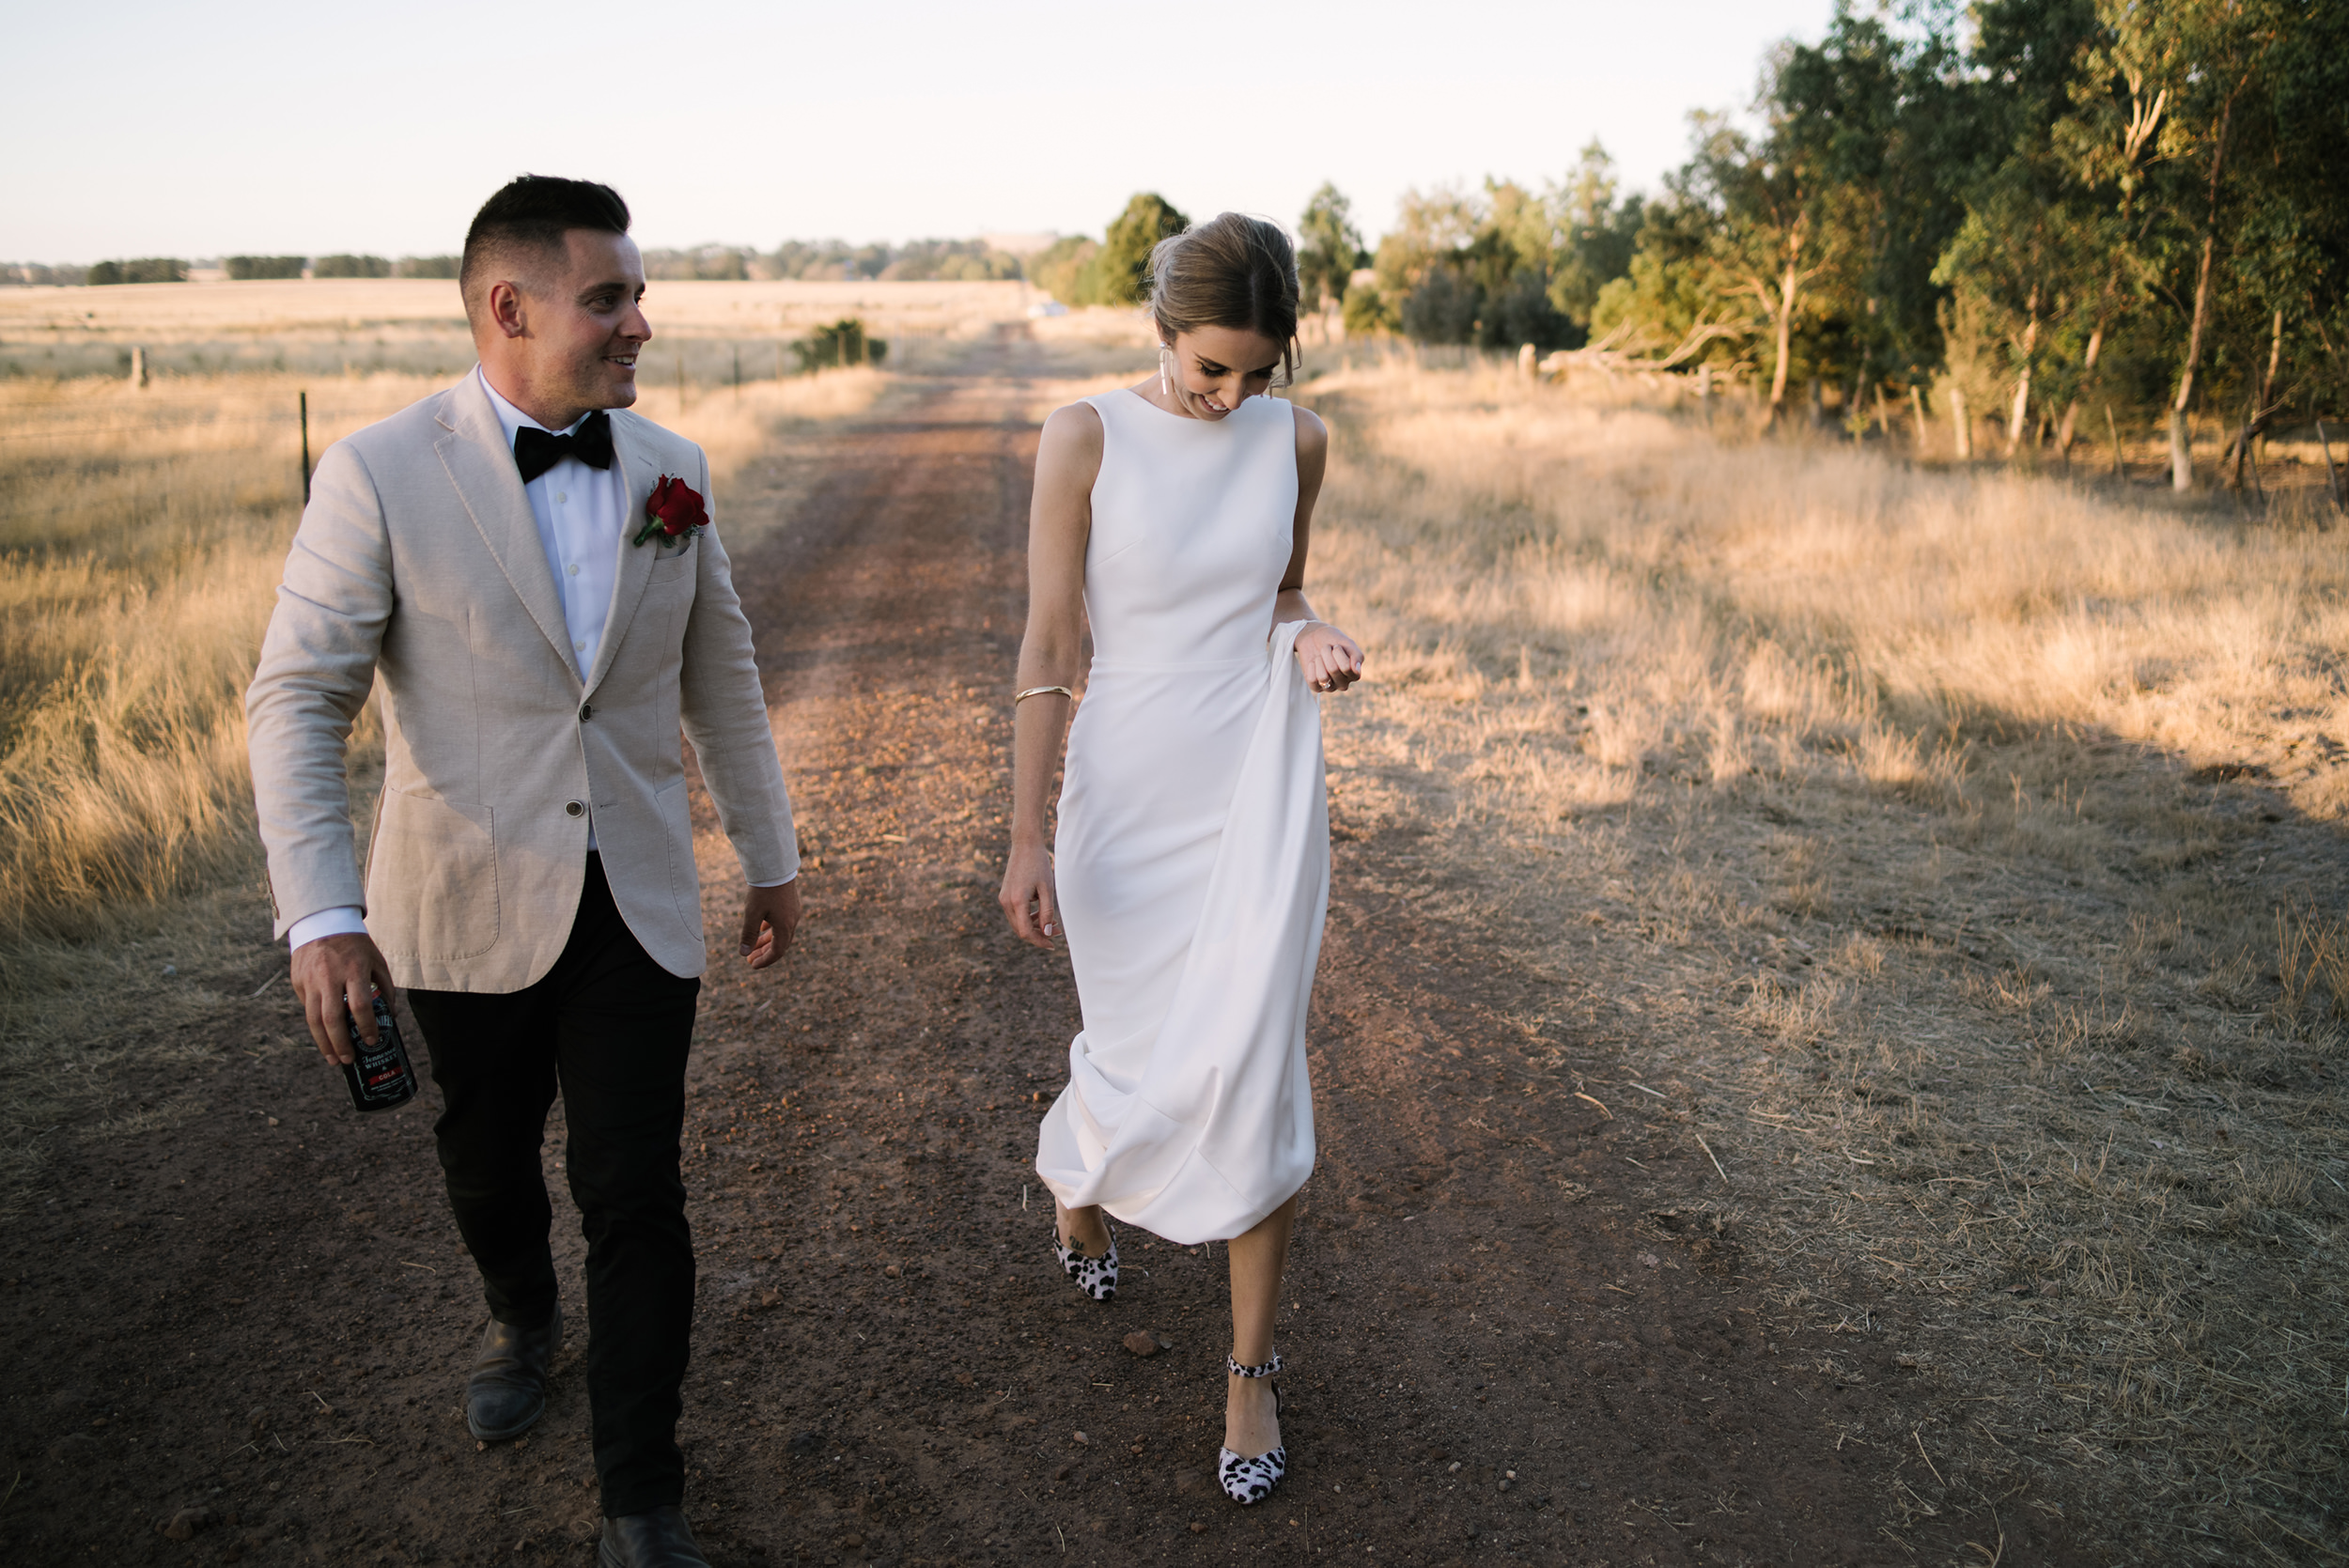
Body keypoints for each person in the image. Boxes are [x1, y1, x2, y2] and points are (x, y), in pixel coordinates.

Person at [245, 175, 802, 1568]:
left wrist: (770, 852)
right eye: (609, 298)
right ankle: (518, 1313)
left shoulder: (673, 465)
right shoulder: (377, 471)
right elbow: (296, 698)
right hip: (457, 900)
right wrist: (321, 913)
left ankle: (639, 1491)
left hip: (636, 893)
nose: (639, 325)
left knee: (637, 1191)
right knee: (486, 1162)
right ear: (511, 308)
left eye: (637, 295)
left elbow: (720, 669)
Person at [998, 212, 1364, 1508]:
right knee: (1141, 1050)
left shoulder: (1297, 440)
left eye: (1258, 373)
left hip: (1256, 788)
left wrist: (1310, 633)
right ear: (1161, 329)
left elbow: (1281, 591)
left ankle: (1250, 1368)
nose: (1233, 398)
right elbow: (1052, 637)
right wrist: (1026, 830)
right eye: (1213, 368)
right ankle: (1077, 1170)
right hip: (1125, 794)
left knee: (1255, 1065)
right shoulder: (1085, 435)